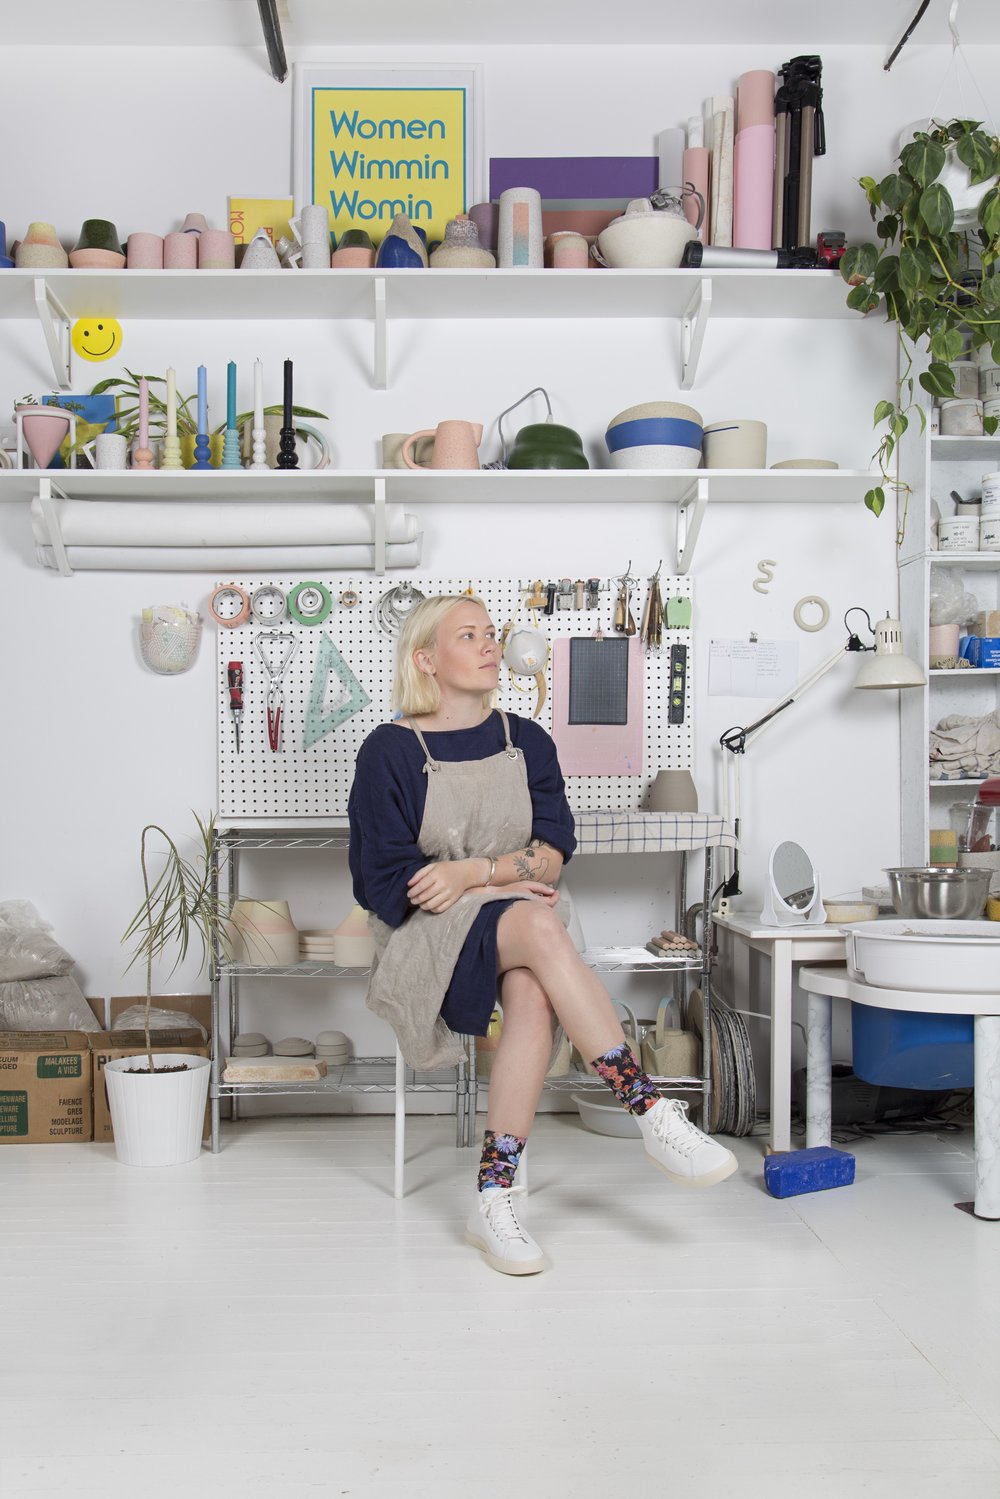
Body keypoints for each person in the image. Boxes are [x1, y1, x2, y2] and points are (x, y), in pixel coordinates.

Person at [348, 594, 737, 1276]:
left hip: (522, 925)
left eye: (491, 633)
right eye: (468, 635)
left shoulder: (525, 740)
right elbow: (389, 886)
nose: (490, 644)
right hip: (427, 943)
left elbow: (555, 853)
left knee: (530, 986)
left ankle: (492, 1199)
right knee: (533, 917)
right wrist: (499, 882)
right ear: (426, 659)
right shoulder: (390, 749)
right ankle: (648, 1108)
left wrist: (474, 871)